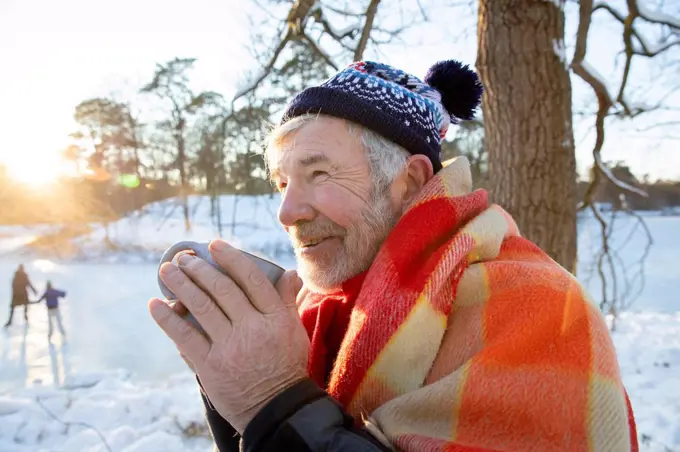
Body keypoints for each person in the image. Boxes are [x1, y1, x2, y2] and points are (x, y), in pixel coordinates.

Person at [150, 60, 639, 451]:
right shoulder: (314, 311)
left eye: (318, 175)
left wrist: (273, 400)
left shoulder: (540, 309)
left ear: (408, 183)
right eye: (282, 182)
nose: (287, 211)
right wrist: (233, 387)